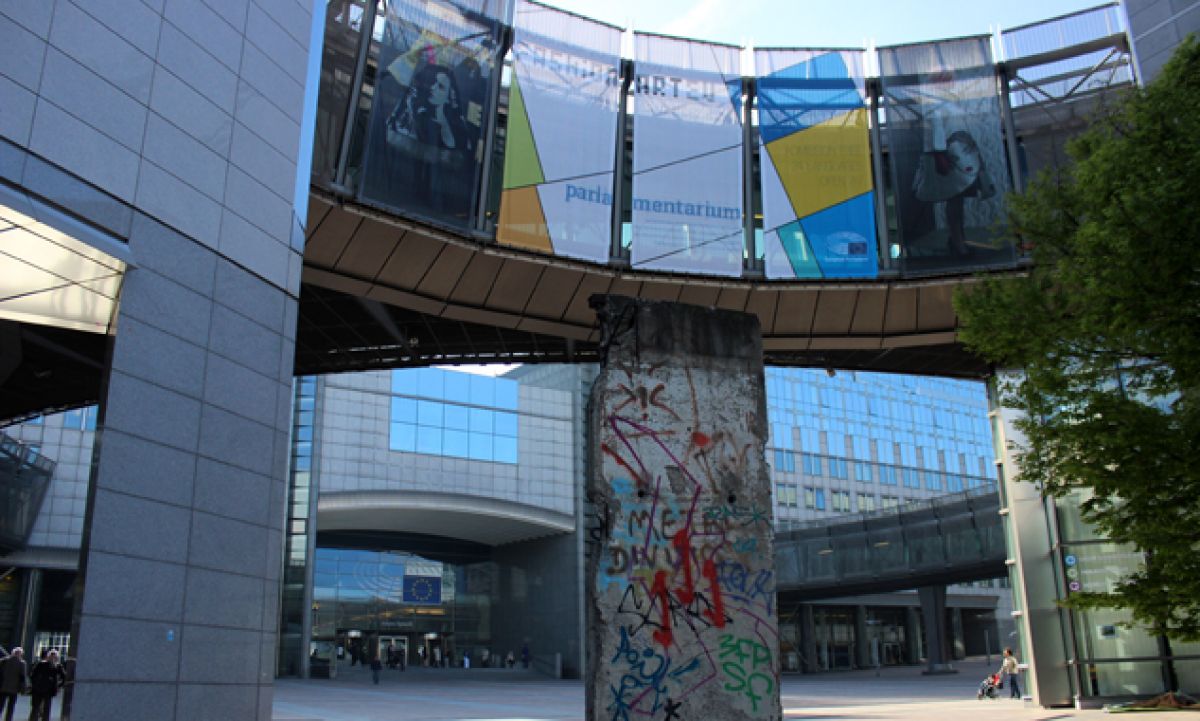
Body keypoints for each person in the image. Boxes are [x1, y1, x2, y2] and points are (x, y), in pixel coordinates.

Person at [27, 648, 65, 721]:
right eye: (52, 657)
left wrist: (58, 685)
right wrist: (59, 685)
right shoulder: (44, 664)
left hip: (46, 690)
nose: (53, 658)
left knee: (42, 708)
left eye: (54, 657)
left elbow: (64, 677)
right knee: (39, 708)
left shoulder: (56, 666)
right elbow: (33, 675)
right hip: (42, 689)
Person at [0, 647, 26, 721]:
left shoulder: (3, 661)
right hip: (14, 688)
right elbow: (22, 677)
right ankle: (8, 719)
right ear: (21, 654)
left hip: (3, 687)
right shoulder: (22, 663)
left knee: (1, 705)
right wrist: (23, 689)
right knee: (11, 707)